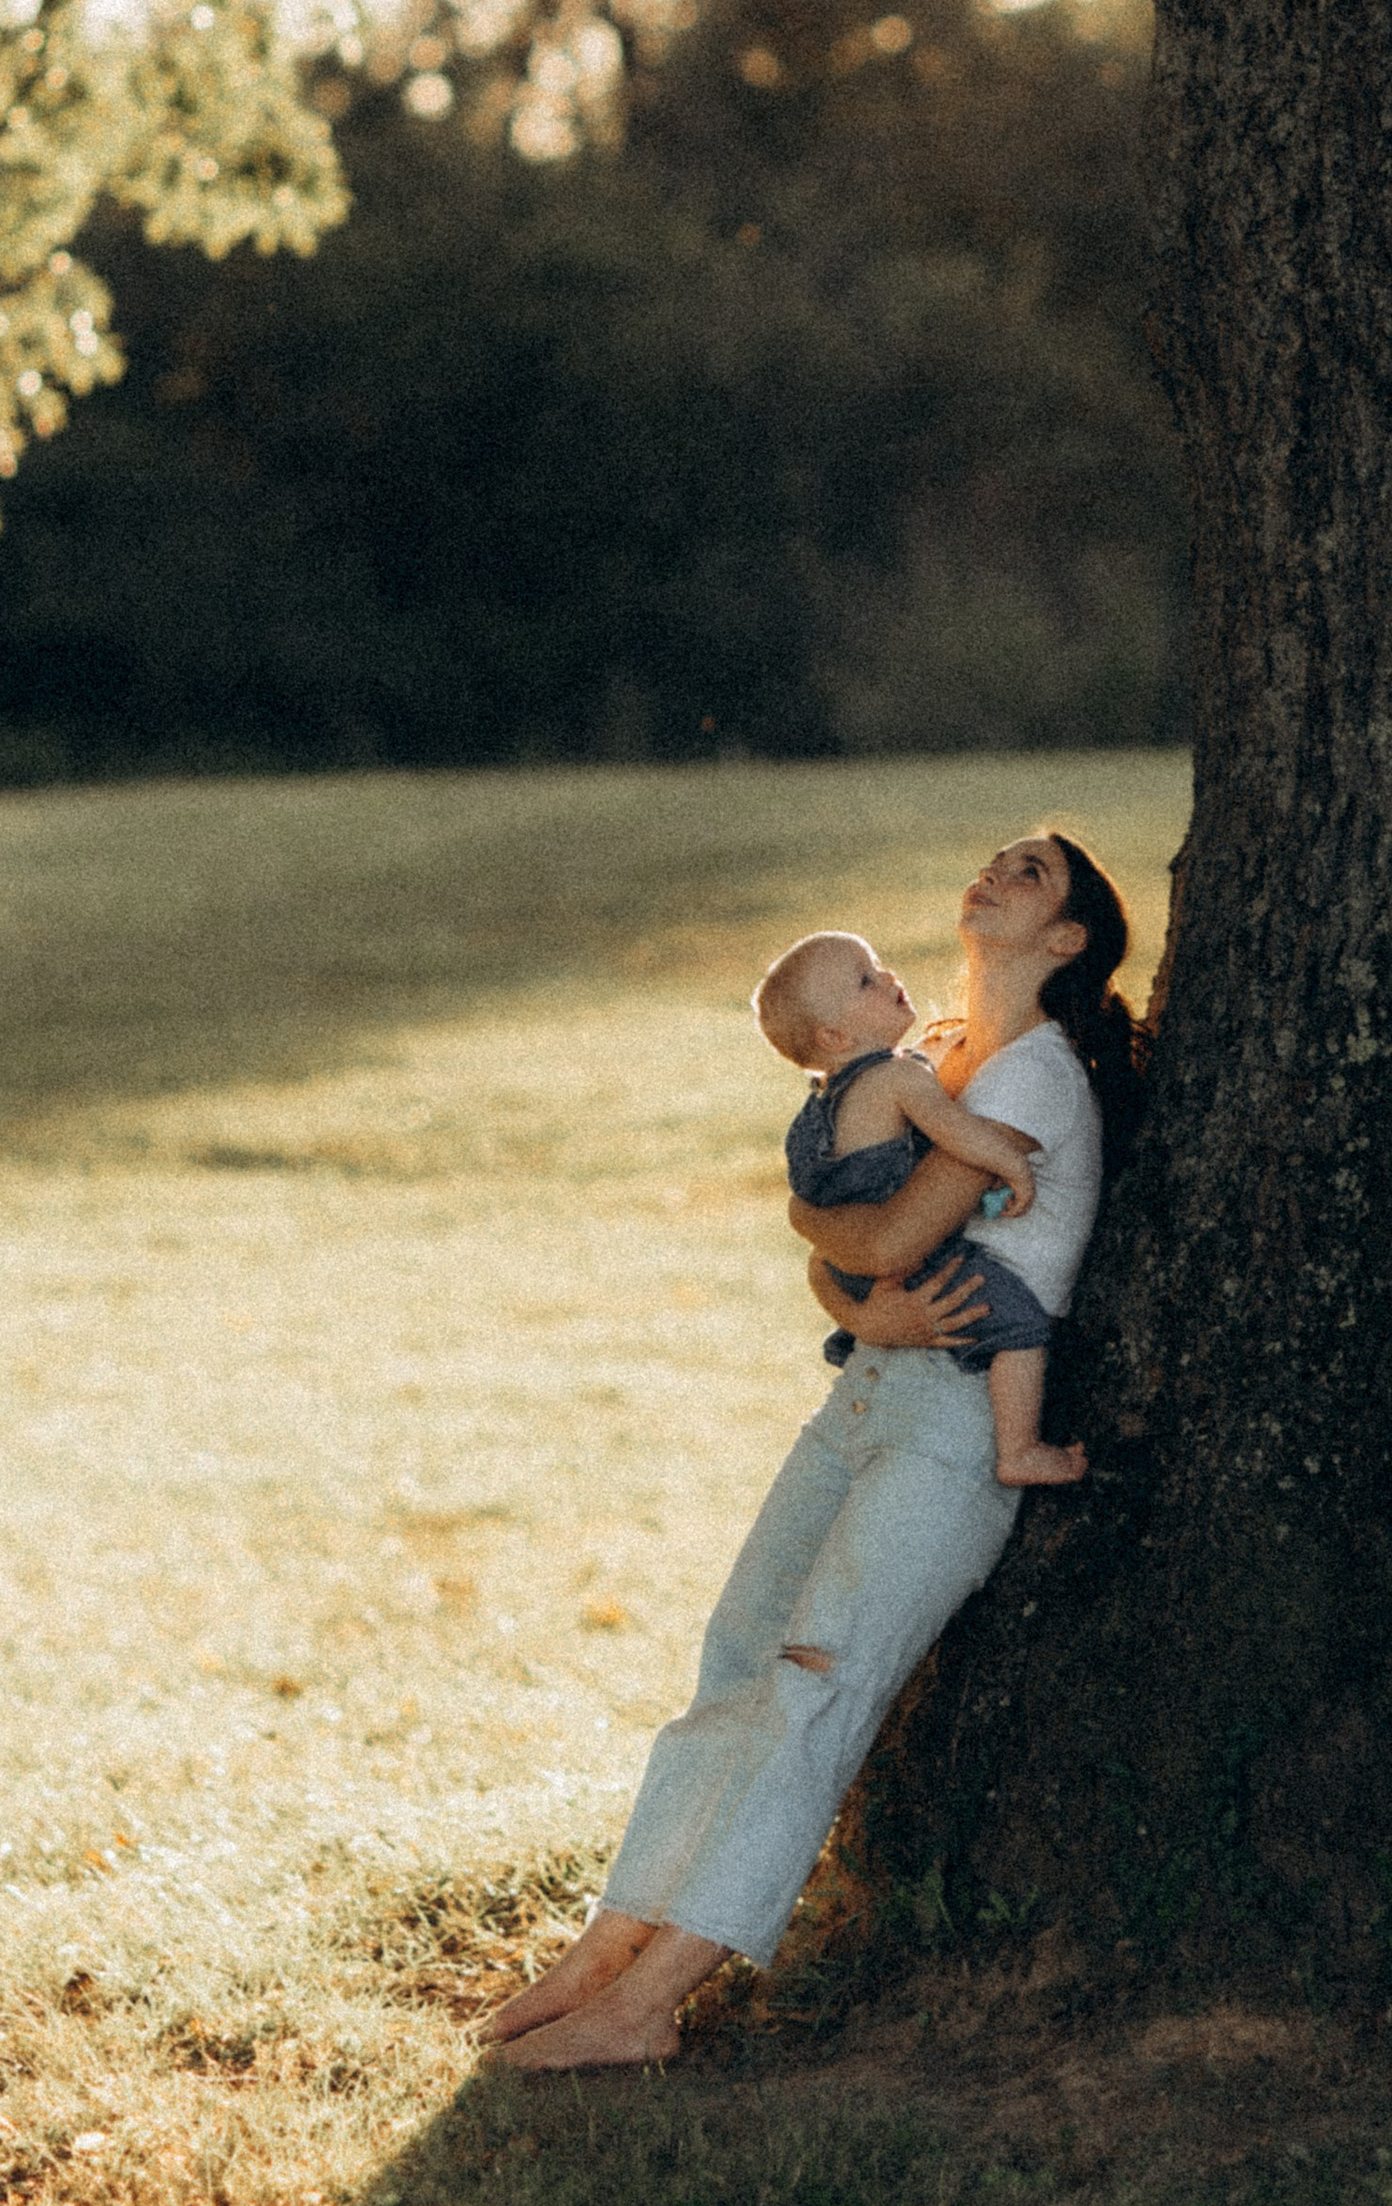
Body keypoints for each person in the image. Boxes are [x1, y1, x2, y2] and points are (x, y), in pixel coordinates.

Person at [487, 828, 1141, 2072]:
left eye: (1034, 877)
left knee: (813, 1682)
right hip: (866, 1398)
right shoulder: (934, 1057)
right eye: (998, 860)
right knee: (737, 1657)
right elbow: (835, 1242)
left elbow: (881, 1238)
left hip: (954, 1426)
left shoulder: (1034, 1080)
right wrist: (849, 1303)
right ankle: (606, 1947)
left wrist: (849, 1274)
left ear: (1065, 942)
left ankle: (653, 2000)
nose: (997, 877)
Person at [756, 926, 1084, 1489]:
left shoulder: (820, 1107)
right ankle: (1021, 1449)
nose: (887, 978)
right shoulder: (899, 1075)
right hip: (914, 1261)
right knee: (1022, 1327)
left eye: (878, 964)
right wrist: (1012, 1166)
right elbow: (958, 1132)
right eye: (865, 981)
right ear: (834, 1035)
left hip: (845, 1265)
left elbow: (817, 1208)